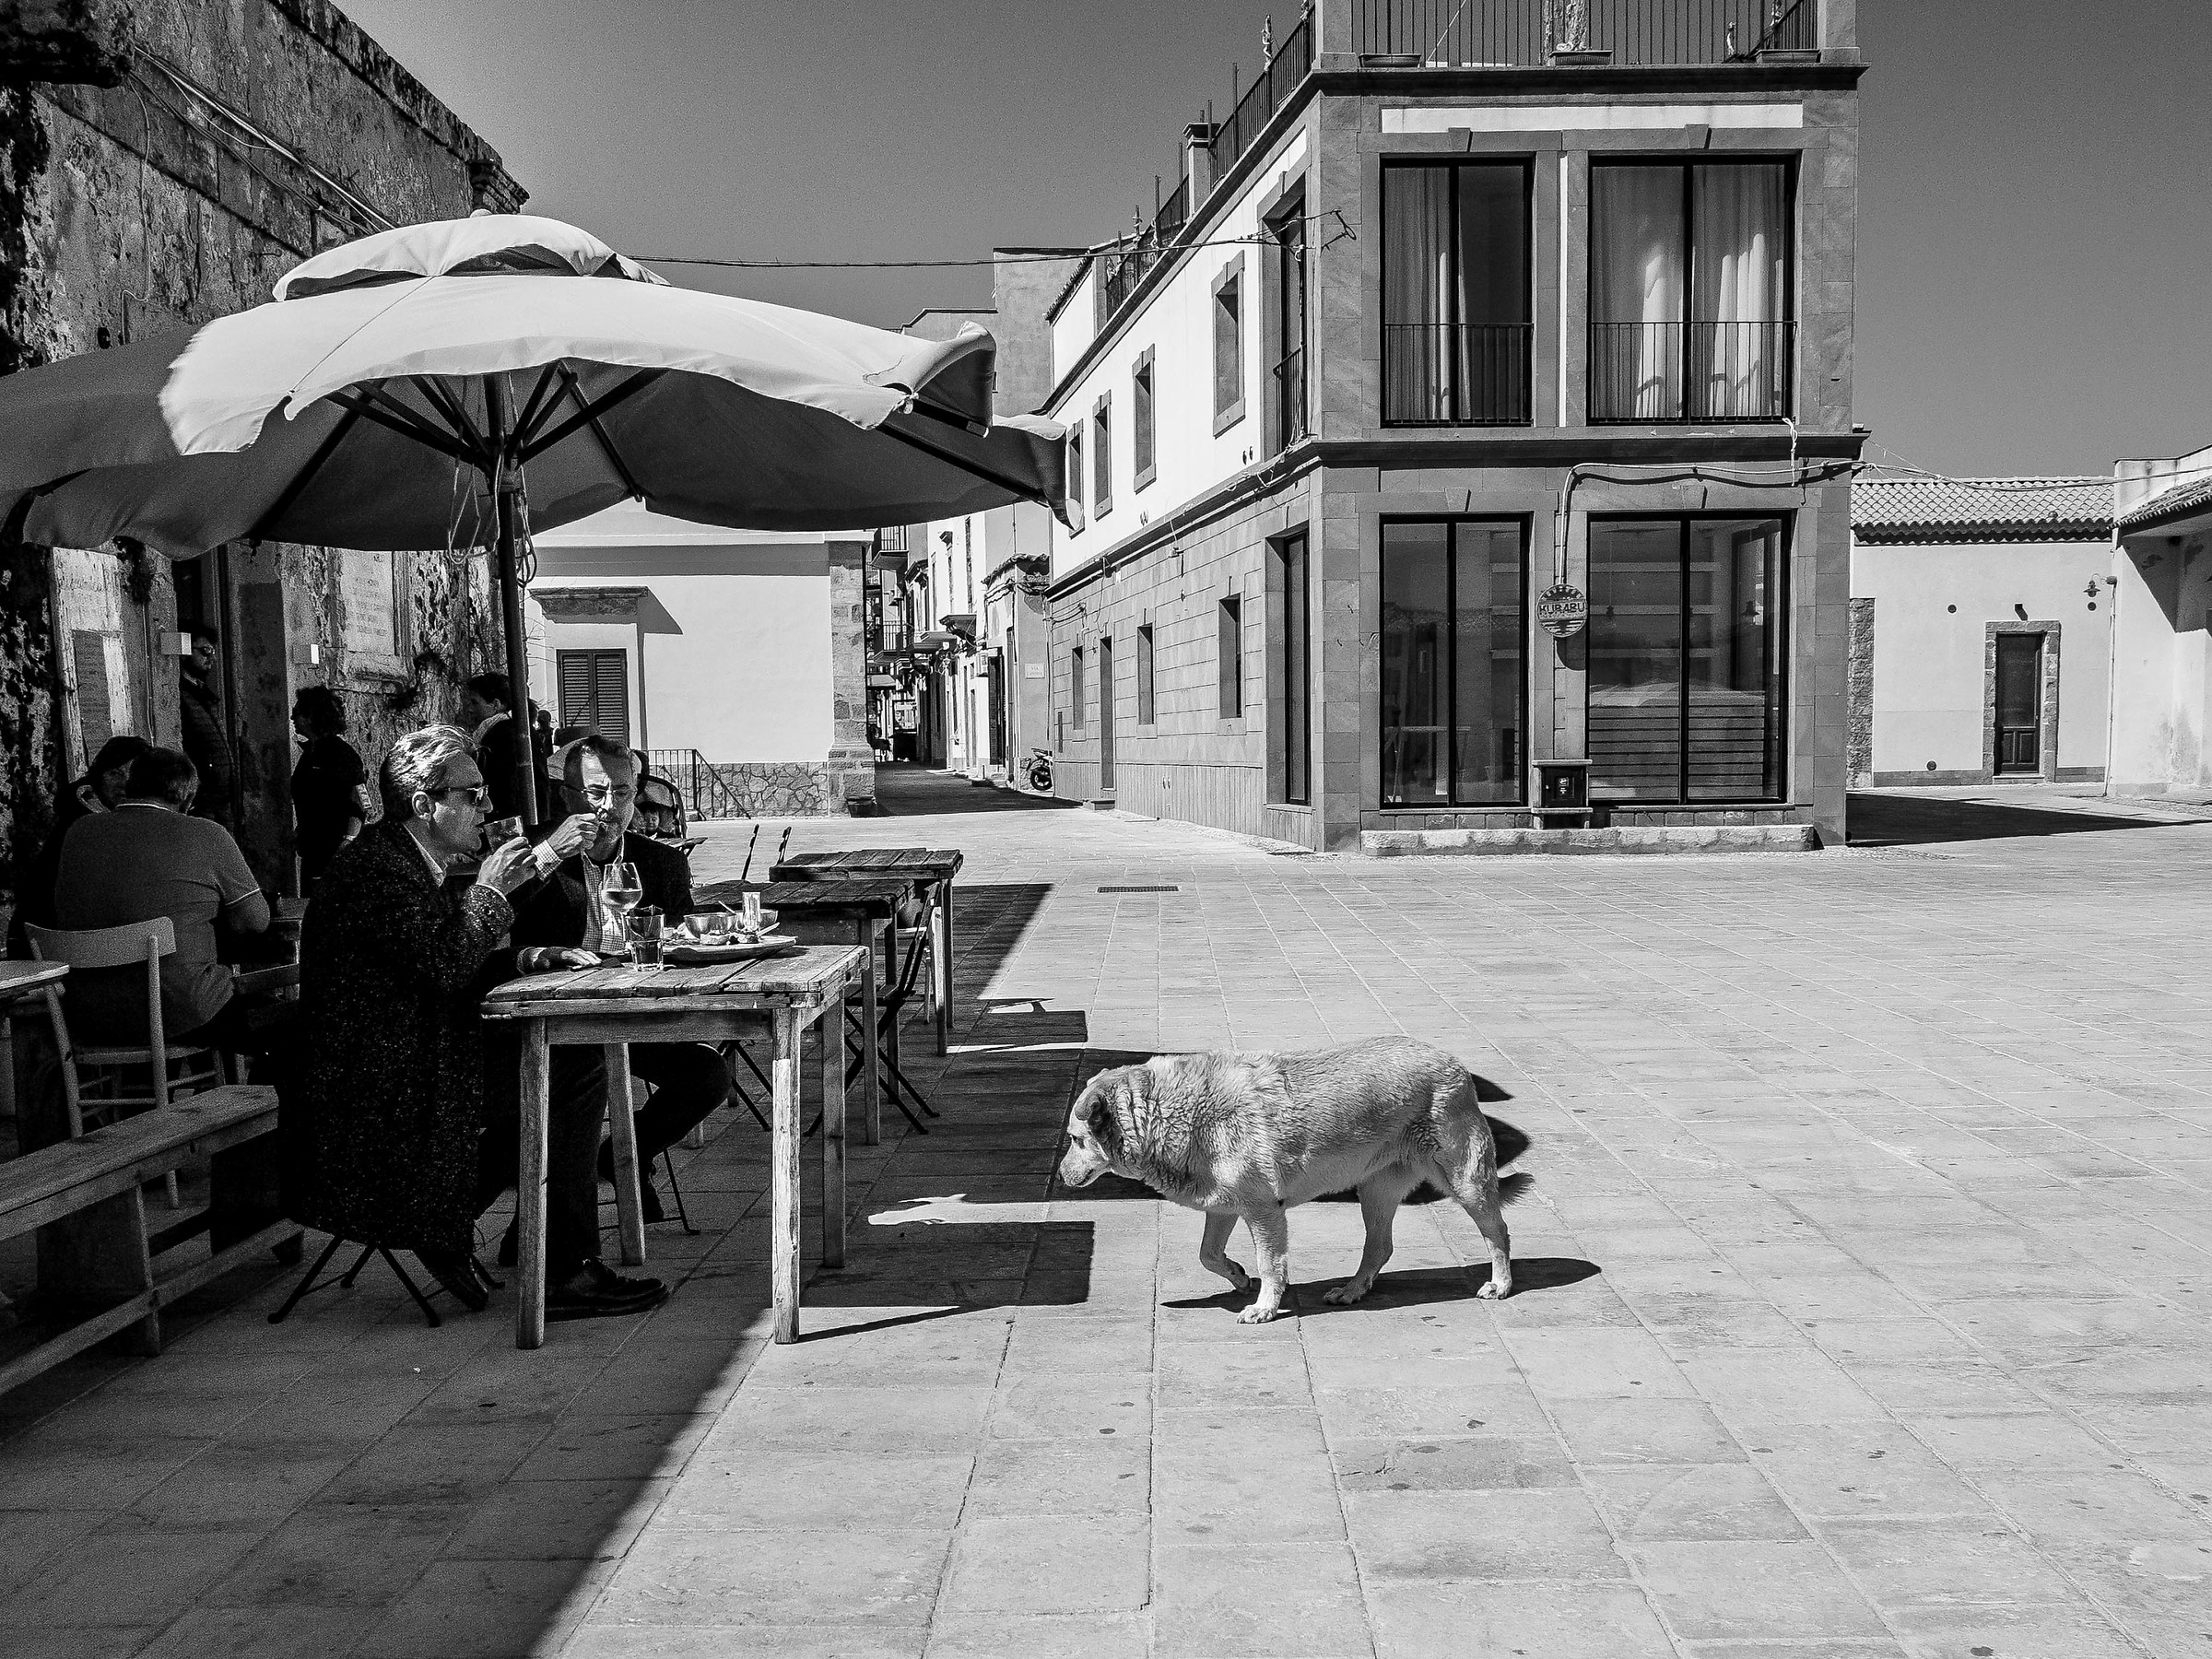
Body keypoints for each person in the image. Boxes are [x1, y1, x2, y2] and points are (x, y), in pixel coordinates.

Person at [284, 725, 664, 1319]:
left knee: (564, 1067)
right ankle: (560, 1269)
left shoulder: (406, 858)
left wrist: (527, 956)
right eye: (472, 793)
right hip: (380, 1076)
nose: (487, 805)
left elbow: (439, 955)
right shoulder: (381, 869)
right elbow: (442, 964)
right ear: (423, 805)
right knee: (571, 1071)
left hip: (414, 1050)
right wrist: (489, 892)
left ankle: (451, 1219)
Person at [489, 735, 728, 1238]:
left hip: (628, 1013)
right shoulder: (527, 854)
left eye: (621, 793)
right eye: (595, 793)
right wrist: (551, 854)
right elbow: (495, 924)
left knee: (708, 1075)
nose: (609, 807)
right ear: (566, 796)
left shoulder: (660, 862)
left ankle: (619, 1154)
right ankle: (542, 1232)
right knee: (583, 1077)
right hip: (549, 1021)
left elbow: (682, 941)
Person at [53, 747, 287, 1057]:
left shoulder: (78, 832)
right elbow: (255, 921)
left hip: (90, 1016)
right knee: (291, 1021)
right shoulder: (207, 835)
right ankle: (241, 1102)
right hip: (178, 1012)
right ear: (188, 799)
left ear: (130, 785)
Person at [10, 734, 151, 949]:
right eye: (114, 773)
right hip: (53, 947)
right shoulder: (85, 825)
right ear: (99, 777)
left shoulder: (116, 818)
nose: (124, 784)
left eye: (132, 774)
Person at [288, 686, 371, 888]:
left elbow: (359, 802)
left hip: (336, 852)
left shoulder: (341, 755)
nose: (292, 719)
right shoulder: (310, 755)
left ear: (311, 717)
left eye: (296, 713)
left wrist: (349, 840)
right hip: (314, 852)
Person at [458, 671, 540, 822]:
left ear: (495, 704)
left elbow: (503, 790)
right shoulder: (516, 730)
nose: (469, 709)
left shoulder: (502, 736)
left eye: (475, 703)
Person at [177, 625, 236, 827]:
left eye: (213, 651)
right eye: (205, 651)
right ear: (184, 651)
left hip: (221, 799)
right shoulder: (181, 695)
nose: (212, 658)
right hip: (201, 801)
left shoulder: (203, 693)